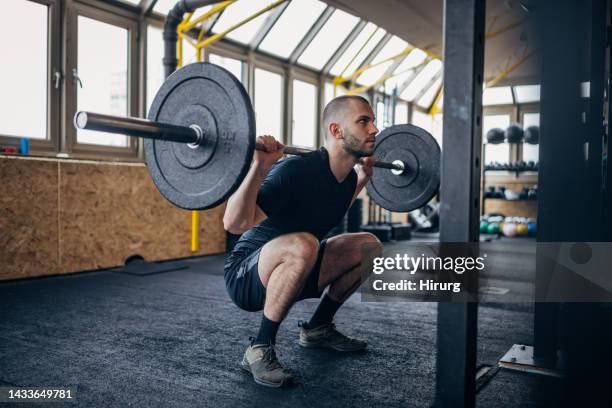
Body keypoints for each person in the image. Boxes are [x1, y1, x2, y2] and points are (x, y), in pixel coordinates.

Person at [223, 95, 383, 388]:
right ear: (336, 131)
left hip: (298, 264)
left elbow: (335, 205)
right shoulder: (295, 170)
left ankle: (318, 328)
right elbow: (234, 224)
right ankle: (258, 348)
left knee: (368, 244)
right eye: (364, 121)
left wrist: (362, 178)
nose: (374, 129)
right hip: (247, 274)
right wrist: (259, 167)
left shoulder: (345, 177)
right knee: (305, 243)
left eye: (373, 121)